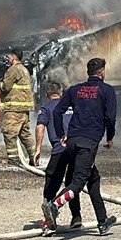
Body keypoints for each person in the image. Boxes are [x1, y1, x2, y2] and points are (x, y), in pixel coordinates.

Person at [42, 57, 117, 236]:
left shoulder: (75, 89)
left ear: (88, 72)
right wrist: (110, 137)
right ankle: (54, 206)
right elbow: (111, 117)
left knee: (93, 178)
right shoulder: (106, 90)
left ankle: (102, 220)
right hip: (88, 142)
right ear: (102, 72)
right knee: (78, 182)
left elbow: (58, 111)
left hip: (73, 141)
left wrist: (62, 135)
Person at [35, 81, 82, 230]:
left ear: (47, 95)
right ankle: (76, 217)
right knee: (72, 184)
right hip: (76, 149)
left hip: (59, 150)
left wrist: (37, 149)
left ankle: (49, 220)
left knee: (51, 183)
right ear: (61, 93)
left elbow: (40, 127)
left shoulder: (47, 108)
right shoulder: (71, 106)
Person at [0, 50, 37, 166]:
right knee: (25, 134)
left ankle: (14, 160)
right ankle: (34, 156)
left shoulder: (13, 70)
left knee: (9, 133)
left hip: (13, 108)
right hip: (23, 108)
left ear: (13, 57)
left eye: (9, 56)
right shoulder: (24, 70)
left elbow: (6, 87)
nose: (8, 58)